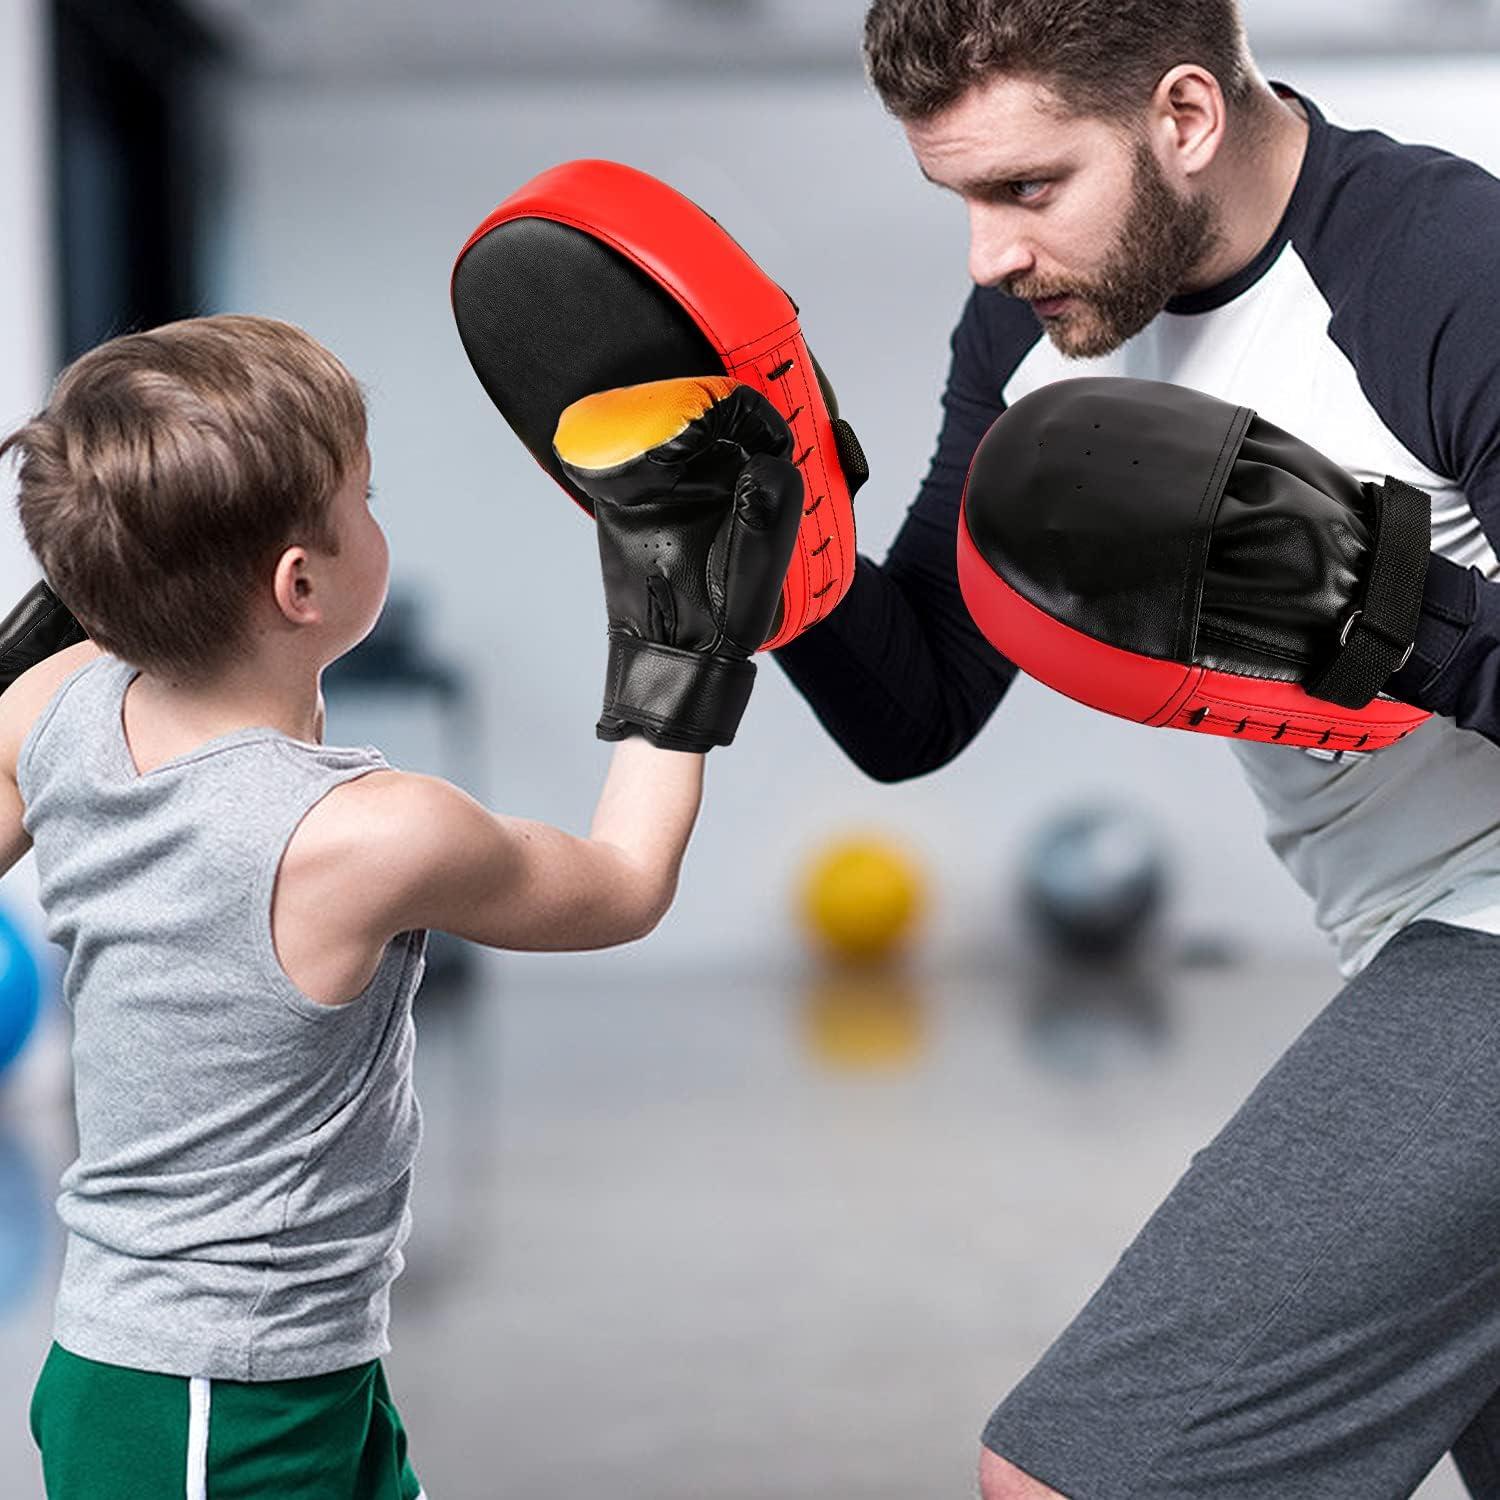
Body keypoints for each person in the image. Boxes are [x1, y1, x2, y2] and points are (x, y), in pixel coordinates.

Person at [775, 3, 1500, 1497]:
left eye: (1028, 189)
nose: (989, 254)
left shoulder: (1440, 268)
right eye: (962, 200)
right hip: (1399, 929)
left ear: (1183, 117)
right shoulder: (1044, 318)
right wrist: (773, 557)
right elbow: (918, 709)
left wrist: (1382, 607)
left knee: (1083, 1473)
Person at [0, 318, 799, 1498]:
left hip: (248, 1366)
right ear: (300, 584)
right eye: (367, 500)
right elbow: (622, 885)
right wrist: (684, 648)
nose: (383, 520)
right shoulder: (370, 834)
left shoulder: (55, 704)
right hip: (215, 1409)